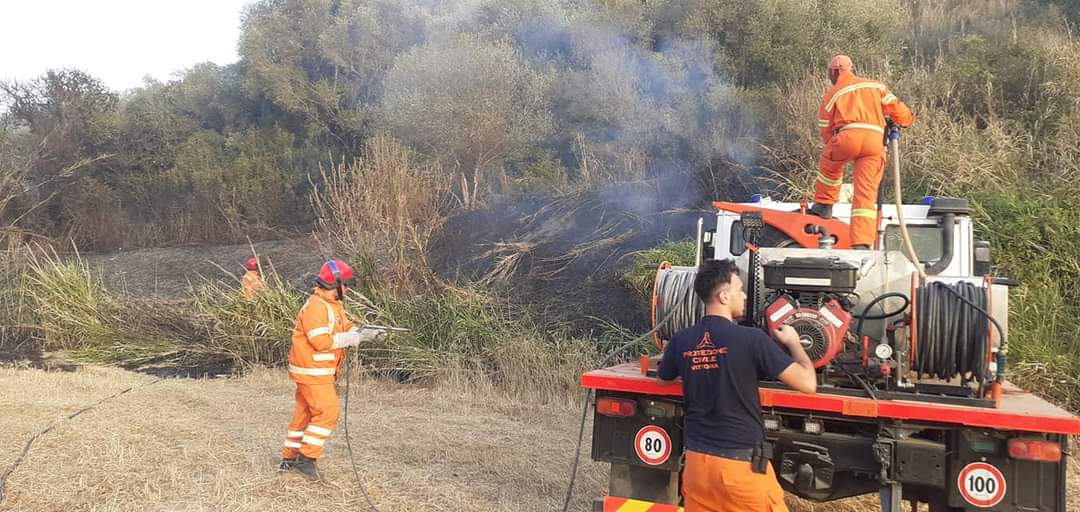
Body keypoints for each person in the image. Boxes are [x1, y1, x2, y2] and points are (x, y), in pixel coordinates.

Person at [657, 259, 816, 512]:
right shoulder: (752, 339)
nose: (744, 296)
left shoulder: (682, 340)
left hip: (697, 467)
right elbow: (808, 383)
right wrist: (795, 342)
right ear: (723, 296)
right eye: (739, 289)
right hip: (740, 471)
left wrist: (695, 363)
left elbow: (664, 376)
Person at [279, 259, 386, 480]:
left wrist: (366, 332)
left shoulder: (332, 304)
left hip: (315, 371)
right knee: (328, 412)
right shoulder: (316, 307)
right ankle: (306, 460)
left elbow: (344, 328)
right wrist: (354, 338)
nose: (347, 288)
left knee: (304, 414)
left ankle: (289, 459)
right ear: (335, 283)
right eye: (345, 284)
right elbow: (321, 341)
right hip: (312, 372)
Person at [811, 54, 915, 249]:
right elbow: (899, 110)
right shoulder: (876, 86)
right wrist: (906, 120)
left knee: (830, 163)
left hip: (847, 137)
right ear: (852, 68)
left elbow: (825, 127)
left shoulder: (832, 93)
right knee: (865, 195)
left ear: (833, 72)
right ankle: (862, 243)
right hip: (875, 142)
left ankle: (824, 205)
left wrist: (833, 145)